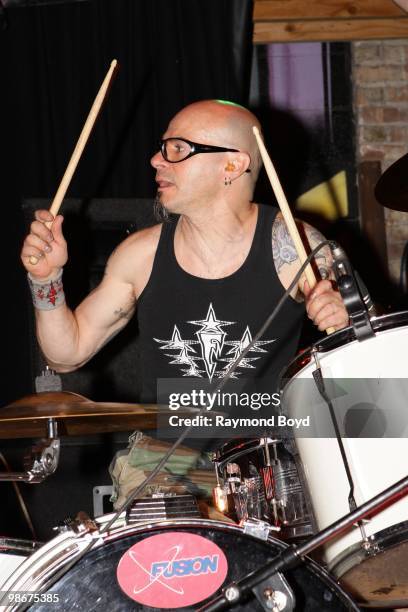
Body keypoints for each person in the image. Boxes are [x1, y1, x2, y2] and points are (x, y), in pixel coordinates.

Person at [21, 100, 348, 403]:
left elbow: (364, 355)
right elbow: (66, 356)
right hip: (165, 461)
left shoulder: (294, 244)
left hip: (270, 458)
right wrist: (46, 279)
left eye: (177, 148)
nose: (156, 160)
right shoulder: (141, 255)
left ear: (232, 165)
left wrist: (343, 316)